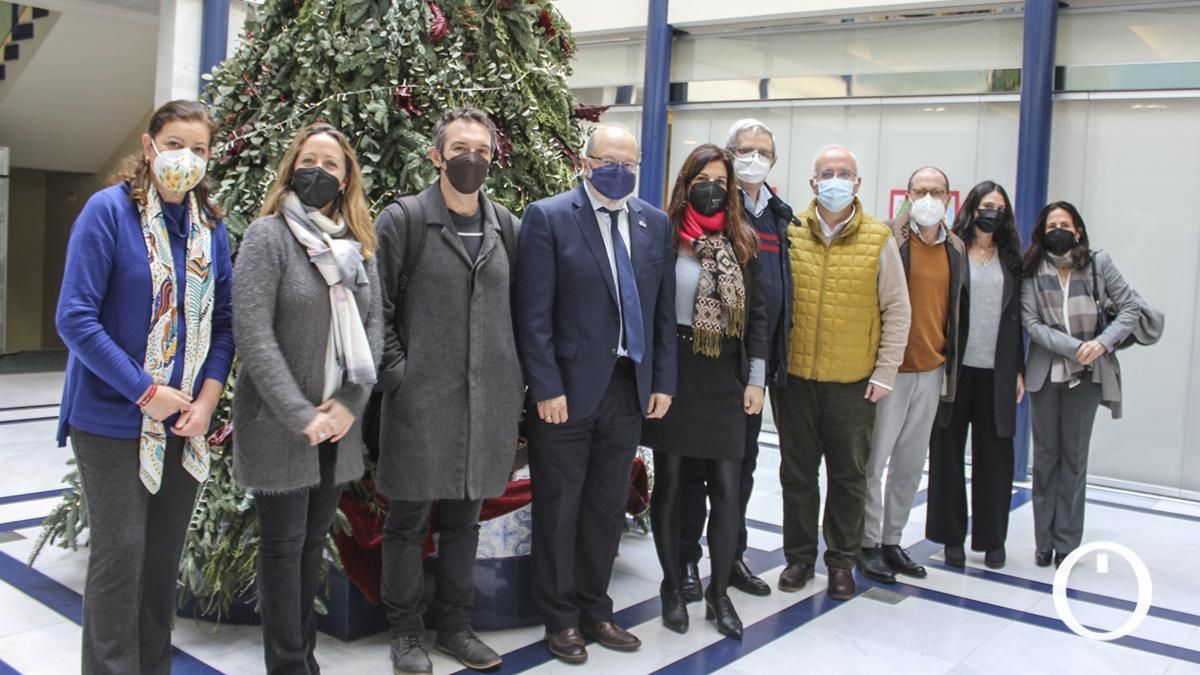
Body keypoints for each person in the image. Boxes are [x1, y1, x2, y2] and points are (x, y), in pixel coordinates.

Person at [54, 99, 234, 674]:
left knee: (160, 566)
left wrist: (206, 400)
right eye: (176, 144)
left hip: (184, 425)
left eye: (200, 149)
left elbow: (224, 324)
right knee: (121, 557)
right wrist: (143, 391)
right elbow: (76, 317)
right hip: (110, 420)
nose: (187, 158)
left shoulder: (211, 229)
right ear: (149, 144)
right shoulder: (108, 212)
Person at [516, 125, 677, 664]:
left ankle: (596, 608)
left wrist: (662, 381)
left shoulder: (654, 224)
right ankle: (560, 619)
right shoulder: (550, 217)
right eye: (608, 160)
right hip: (565, 392)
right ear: (584, 163)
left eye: (628, 163)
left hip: (628, 389)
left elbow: (659, 313)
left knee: (608, 508)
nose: (619, 171)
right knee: (560, 508)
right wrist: (546, 386)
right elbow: (532, 315)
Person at [373, 107, 523, 674]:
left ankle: (455, 627)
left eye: (482, 151)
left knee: (464, 521)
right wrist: (399, 377)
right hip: (418, 402)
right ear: (436, 155)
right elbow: (377, 310)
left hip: (485, 404)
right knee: (408, 523)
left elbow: (520, 311)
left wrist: (515, 388)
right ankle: (406, 633)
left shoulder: (507, 225)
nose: (472, 160)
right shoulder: (403, 221)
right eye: (461, 148)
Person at [232, 122, 382, 675]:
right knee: (282, 545)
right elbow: (253, 332)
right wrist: (301, 415)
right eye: (309, 160)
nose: (318, 171)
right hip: (280, 424)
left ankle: (305, 658)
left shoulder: (358, 248)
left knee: (313, 543)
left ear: (346, 180)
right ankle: (288, 665)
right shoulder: (268, 237)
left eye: (331, 164)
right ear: (292, 167)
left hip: (337, 426)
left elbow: (374, 332)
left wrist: (347, 405)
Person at [773, 145, 910, 600]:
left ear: (858, 183)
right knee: (796, 473)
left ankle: (841, 562)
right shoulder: (789, 231)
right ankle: (798, 557)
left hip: (853, 383)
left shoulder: (879, 238)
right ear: (813, 184)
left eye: (844, 173)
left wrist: (885, 371)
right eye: (827, 173)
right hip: (794, 380)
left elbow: (897, 310)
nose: (836, 180)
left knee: (848, 477)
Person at [642, 144, 768, 640]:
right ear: (686, 182)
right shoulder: (664, 238)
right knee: (670, 485)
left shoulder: (742, 241)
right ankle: (672, 587)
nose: (712, 187)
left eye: (721, 179)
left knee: (728, 489)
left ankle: (718, 596)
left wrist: (755, 380)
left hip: (725, 377)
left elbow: (757, 317)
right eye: (702, 178)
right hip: (675, 371)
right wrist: (655, 379)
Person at [677, 119, 793, 600]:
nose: (754, 159)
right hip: (699, 367)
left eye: (763, 152)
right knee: (690, 473)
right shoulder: (716, 212)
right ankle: (685, 559)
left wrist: (761, 373)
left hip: (748, 367)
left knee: (740, 471)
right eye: (744, 151)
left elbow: (768, 301)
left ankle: (733, 555)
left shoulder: (781, 216)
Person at [858, 167, 966, 584]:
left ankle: (892, 540)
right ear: (907, 194)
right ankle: (866, 543)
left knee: (909, 464)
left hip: (932, 369)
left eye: (936, 191)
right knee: (874, 462)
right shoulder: (887, 238)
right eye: (920, 190)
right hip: (890, 372)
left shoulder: (954, 246)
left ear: (947, 198)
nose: (928, 197)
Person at [1021, 201, 1139, 568]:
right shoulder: (1030, 270)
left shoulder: (1099, 264)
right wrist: (1078, 348)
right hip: (1045, 375)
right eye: (1051, 224)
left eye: (1065, 223)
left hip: (1087, 378)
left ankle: (1067, 542)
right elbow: (1031, 322)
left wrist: (1101, 343)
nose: (1059, 229)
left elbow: (1131, 308)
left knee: (1074, 458)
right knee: (1044, 459)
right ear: (1042, 232)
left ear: (1078, 231)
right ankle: (1043, 541)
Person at [927, 181, 1025, 570]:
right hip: (956, 369)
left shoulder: (1013, 258)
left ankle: (992, 539)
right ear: (972, 207)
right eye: (987, 205)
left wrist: (1018, 367)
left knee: (995, 456)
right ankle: (951, 537)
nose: (993, 213)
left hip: (997, 372)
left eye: (1000, 208)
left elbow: (1020, 320)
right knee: (947, 454)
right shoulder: (952, 249)